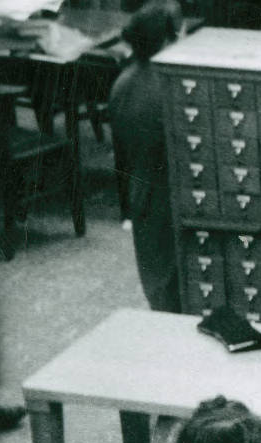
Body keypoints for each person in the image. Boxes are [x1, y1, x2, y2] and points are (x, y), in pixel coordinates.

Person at [109, 1, 182, 313]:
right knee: (174, 286)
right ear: (166, 40)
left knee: (157, 281)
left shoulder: (123, 83)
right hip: (169, 195)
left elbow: (121, 156)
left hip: (141, 193)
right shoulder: (168, 85)